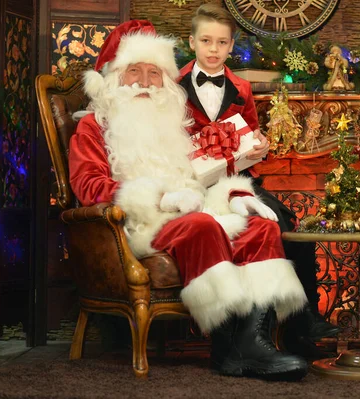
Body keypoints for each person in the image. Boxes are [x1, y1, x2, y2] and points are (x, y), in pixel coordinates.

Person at [68, 19, 309, 380]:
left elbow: (198, 181)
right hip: (138, 225)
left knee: (260, 226)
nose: (146, 83)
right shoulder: (93, 127)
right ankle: (230, 346)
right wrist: (161, 199)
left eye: (154, 73)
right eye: (135, 71)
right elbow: (88, 186)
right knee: (200, 226)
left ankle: (252, 342)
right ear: (115, 78)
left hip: (190, 212)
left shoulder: (173, 125)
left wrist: (234, 196)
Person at [177, 4, 340, 359]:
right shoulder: (174, 86)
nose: (213, 49)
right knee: (270, 222)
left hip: (237, 180)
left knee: (288, 223)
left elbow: (251, 135)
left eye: (221, 42)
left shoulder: (241, 88)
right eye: (206, 40)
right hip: (194, 185)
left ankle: (303, 322)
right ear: (192, 42)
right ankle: (293, 329)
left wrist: (260, 144)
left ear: (231, 46)